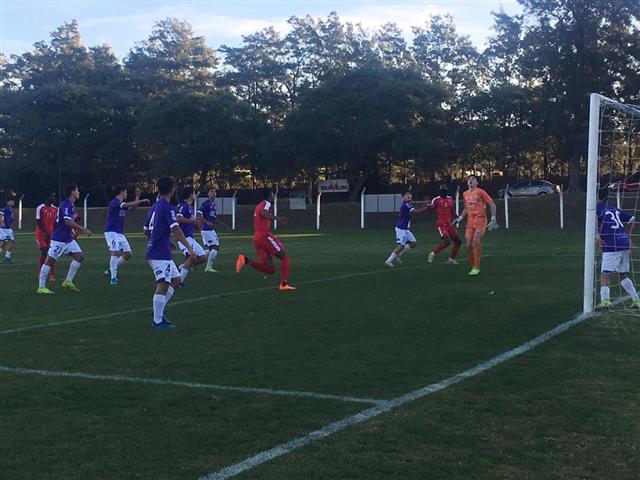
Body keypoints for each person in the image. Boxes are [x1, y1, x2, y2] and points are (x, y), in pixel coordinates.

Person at [145, 177, 195, 329]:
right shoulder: (167, 207)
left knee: (176, 280)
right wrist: (189, 247)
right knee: (163, 284)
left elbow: (148, 230)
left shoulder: (156, 206)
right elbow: (175, 229)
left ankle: (158, 312)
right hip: (158, 253)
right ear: (172, 190)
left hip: (161, 250)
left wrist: (165, 241)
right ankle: (157, 320)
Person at [235, 188, 295, 290]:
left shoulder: (258, 206)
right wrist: (277, 218)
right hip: (264, 236)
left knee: (270, 269)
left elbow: (261, 214)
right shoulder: (266, 204)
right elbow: (264, 213)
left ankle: (245, 260)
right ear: (270, 195)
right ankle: (284, 285)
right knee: (285, 258)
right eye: (273, 194)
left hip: (257, 238)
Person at [37, 184, 92, 294]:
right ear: (72, 192)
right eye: (77, 190)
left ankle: (68, 281)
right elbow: (67, 221)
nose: (78, 192)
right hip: (59, 239)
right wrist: (83, 229)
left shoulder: (70, 205)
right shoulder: (66, 205)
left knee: (79, 257)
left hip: (68, 239)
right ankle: (41, 287)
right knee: (50, 261)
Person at [596, 188, 640, 309]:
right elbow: (632, 219)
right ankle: (637, 300)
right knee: (622, 275)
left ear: (596, 197)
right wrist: (628, 235)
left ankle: (605, 301)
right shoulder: (612, 207)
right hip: (624, 242)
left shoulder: (597, 209)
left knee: (605, 273)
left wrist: (597, 235)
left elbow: (595, 221)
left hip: (611, 243)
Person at [104, 186, 150, 285]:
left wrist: (137, 196)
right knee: (115, 252)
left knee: (128, 254)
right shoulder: (115, 202)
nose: (126, 194)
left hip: (119, 233)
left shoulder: (121, 204)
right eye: (125, 192)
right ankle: (113, 278)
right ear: (121, 192)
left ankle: (110, 269)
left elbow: (133, 207)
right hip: (111, 232)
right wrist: (141, 200)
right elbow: (129, 204)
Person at [455, 175, 498, 276]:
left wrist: (493, 218)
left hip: (480, 220)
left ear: (476, 183)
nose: (470, 181)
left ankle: (477, 267)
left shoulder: (480, 192)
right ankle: (473, 266)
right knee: (468, 244)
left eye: (473, 179)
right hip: (470, 222)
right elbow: (466, 208)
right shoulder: (465, 194)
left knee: (475, 241)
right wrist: (460, 217)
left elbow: (492, 204)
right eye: (469, 180)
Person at [384, 191, 430, 267]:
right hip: (401, 228)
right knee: (401, 246)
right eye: (406, 195)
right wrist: (426, 206)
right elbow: (415, 211)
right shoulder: (406, 205)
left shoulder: (409, 204)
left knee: (413, 243)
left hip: (405, 228)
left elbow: (414, 210)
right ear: (403, 197)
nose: (408, 196)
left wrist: (425, 204)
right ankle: (388, 261)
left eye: (409, 194)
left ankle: (399, 254)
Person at [175, 187, 207, 284]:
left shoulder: (189, 207)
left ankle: (180, 268)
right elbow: (178, 217)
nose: (195, 195)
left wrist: (196, 225)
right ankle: (179, 281)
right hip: (184, 238)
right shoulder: (184, 206)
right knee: (191, 257)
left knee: (203, 258)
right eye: (194, 193)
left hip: (190, 238)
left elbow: (189, 222)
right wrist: (193, 221)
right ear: (190, 195)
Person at [427, 184, 462, 264]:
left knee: (458, 242)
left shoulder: (450, 199)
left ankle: (451, 259)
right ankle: (433, 253)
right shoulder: (436, 200)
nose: (444, 191)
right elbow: (430, 212)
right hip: (441, 224)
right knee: (447, 241)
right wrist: (429, 207)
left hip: (449, 224)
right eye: (442, 190)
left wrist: (458, 217)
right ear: (439, 191)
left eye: (445, 190)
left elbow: (451, 210)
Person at [197, 187, 228, 273]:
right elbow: (199, 215)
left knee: (211, 249)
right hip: (206, 229)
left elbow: (214, 217)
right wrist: (206, 222)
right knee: (215, 247)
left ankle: (194, 258)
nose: (214, 193)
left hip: (211, 230)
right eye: (212, 191)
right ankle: (208, 267)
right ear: (208, 194)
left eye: (215, 192)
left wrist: (222, 224)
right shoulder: (205, 204)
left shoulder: (213, 205)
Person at [35, 193, 58, 281]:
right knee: (44, 253)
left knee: (51, 254)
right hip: (41, 235)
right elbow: (38, 222)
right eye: (52, 196)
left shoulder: (55, 209)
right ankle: (40, 272)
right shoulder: (40, 207)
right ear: (47, 197)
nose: (54, 198)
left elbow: (55, 223)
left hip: (51, 235)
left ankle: (52, 274)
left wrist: (55, 233)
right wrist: (45, 232)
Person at [0, 196, 16, 263]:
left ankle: (7, 257)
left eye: (13, 201)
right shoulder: (6, 208)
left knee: (3, 242)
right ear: (8, 202)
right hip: (5, 228)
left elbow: (9, 218)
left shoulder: (10, 209)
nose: (13, 202)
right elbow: (0, 214)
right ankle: (7, 257)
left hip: (6, 228)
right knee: (11, 241)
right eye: (11, 201)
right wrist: (2, 222)